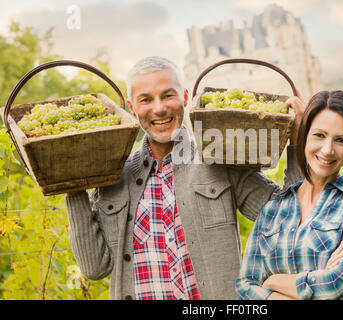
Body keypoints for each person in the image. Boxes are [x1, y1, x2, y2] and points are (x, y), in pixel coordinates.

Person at [64, 56, 306, 300]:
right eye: (146, 99)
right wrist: (70, 183)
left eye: (168, 95)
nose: (159, 108)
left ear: (185, 97)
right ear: (131, 107)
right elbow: (95, 268)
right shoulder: (115, 176)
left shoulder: (219, 159)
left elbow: (286, 219)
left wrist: (296, 144)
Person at [236, 90, 343, 300]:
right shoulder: (272, 210)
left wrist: (272, 282)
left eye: (341, 140)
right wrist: (314, 280)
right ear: (304, 137)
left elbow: (334, 283)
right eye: (319, 135)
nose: (327, 150)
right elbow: (244, 287)